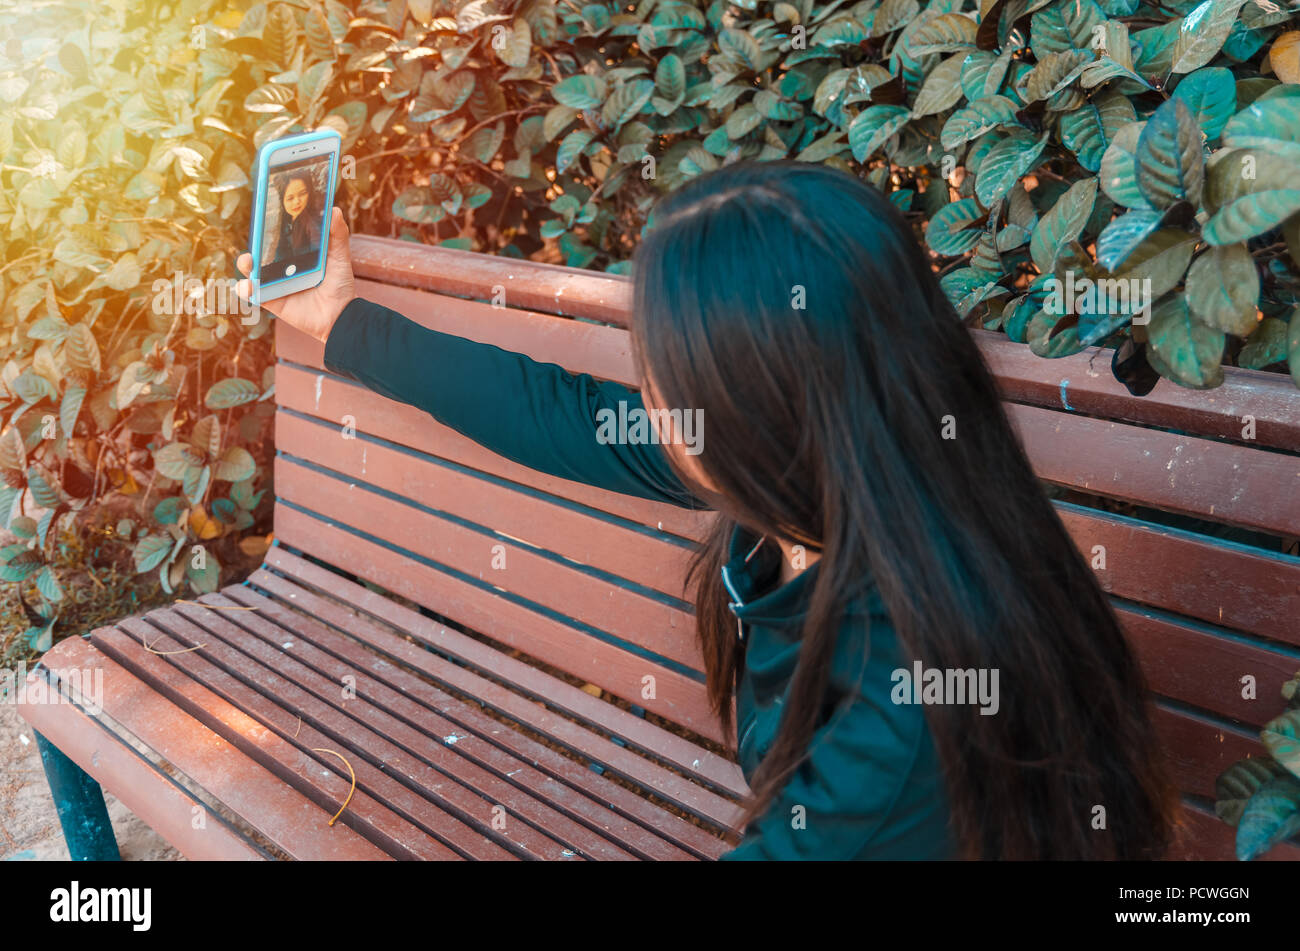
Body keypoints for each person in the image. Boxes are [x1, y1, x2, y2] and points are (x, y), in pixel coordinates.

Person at [236, 161, 1177, 860]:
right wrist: (342, 321)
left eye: (670, 388)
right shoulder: (838, 479)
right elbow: (560, 416)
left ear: (768, 413)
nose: (651, 411)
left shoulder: (911, 701)